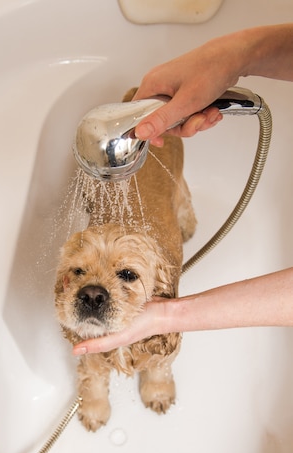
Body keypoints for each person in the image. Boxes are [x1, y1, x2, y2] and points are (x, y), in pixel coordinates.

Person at [72, 23, 293, 357]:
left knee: (171, 190)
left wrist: (170, 314)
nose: (92, 290)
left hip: (161, 165)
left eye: (129, 274)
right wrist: (229, 57)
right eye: (77, 271)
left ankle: (180, 203)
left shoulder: (162, 278)